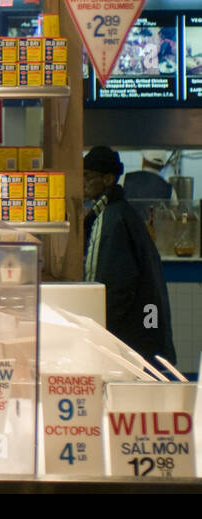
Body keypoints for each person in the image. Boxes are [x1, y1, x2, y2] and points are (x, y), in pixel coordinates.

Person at [83, 146, 176, 364]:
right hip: (147, 335)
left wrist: (98, 330)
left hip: (135, 342)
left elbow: (110, 286)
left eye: (87, 177)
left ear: (107, 179)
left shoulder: (111, 219)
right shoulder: (120, 212)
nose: (82, 183)